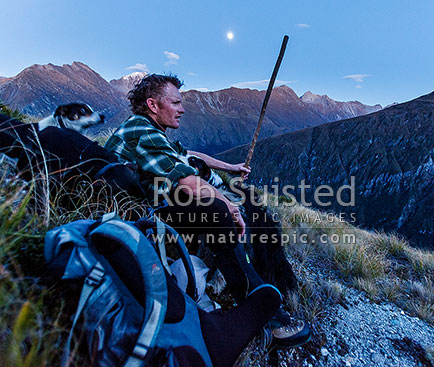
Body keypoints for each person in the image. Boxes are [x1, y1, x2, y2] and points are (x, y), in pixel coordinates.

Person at [105, 74, 310, 348]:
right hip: (135, 221)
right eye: (176, 102)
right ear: (153, 105)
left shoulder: (150, 131)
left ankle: (236, 285)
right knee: (214, 208)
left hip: (149, 209)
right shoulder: (142, 131)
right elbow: (187, 182)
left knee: (216, 206)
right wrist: (230, 208)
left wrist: (230, 167)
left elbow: (189, 155)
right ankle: (263, 317)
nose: (182, 108)